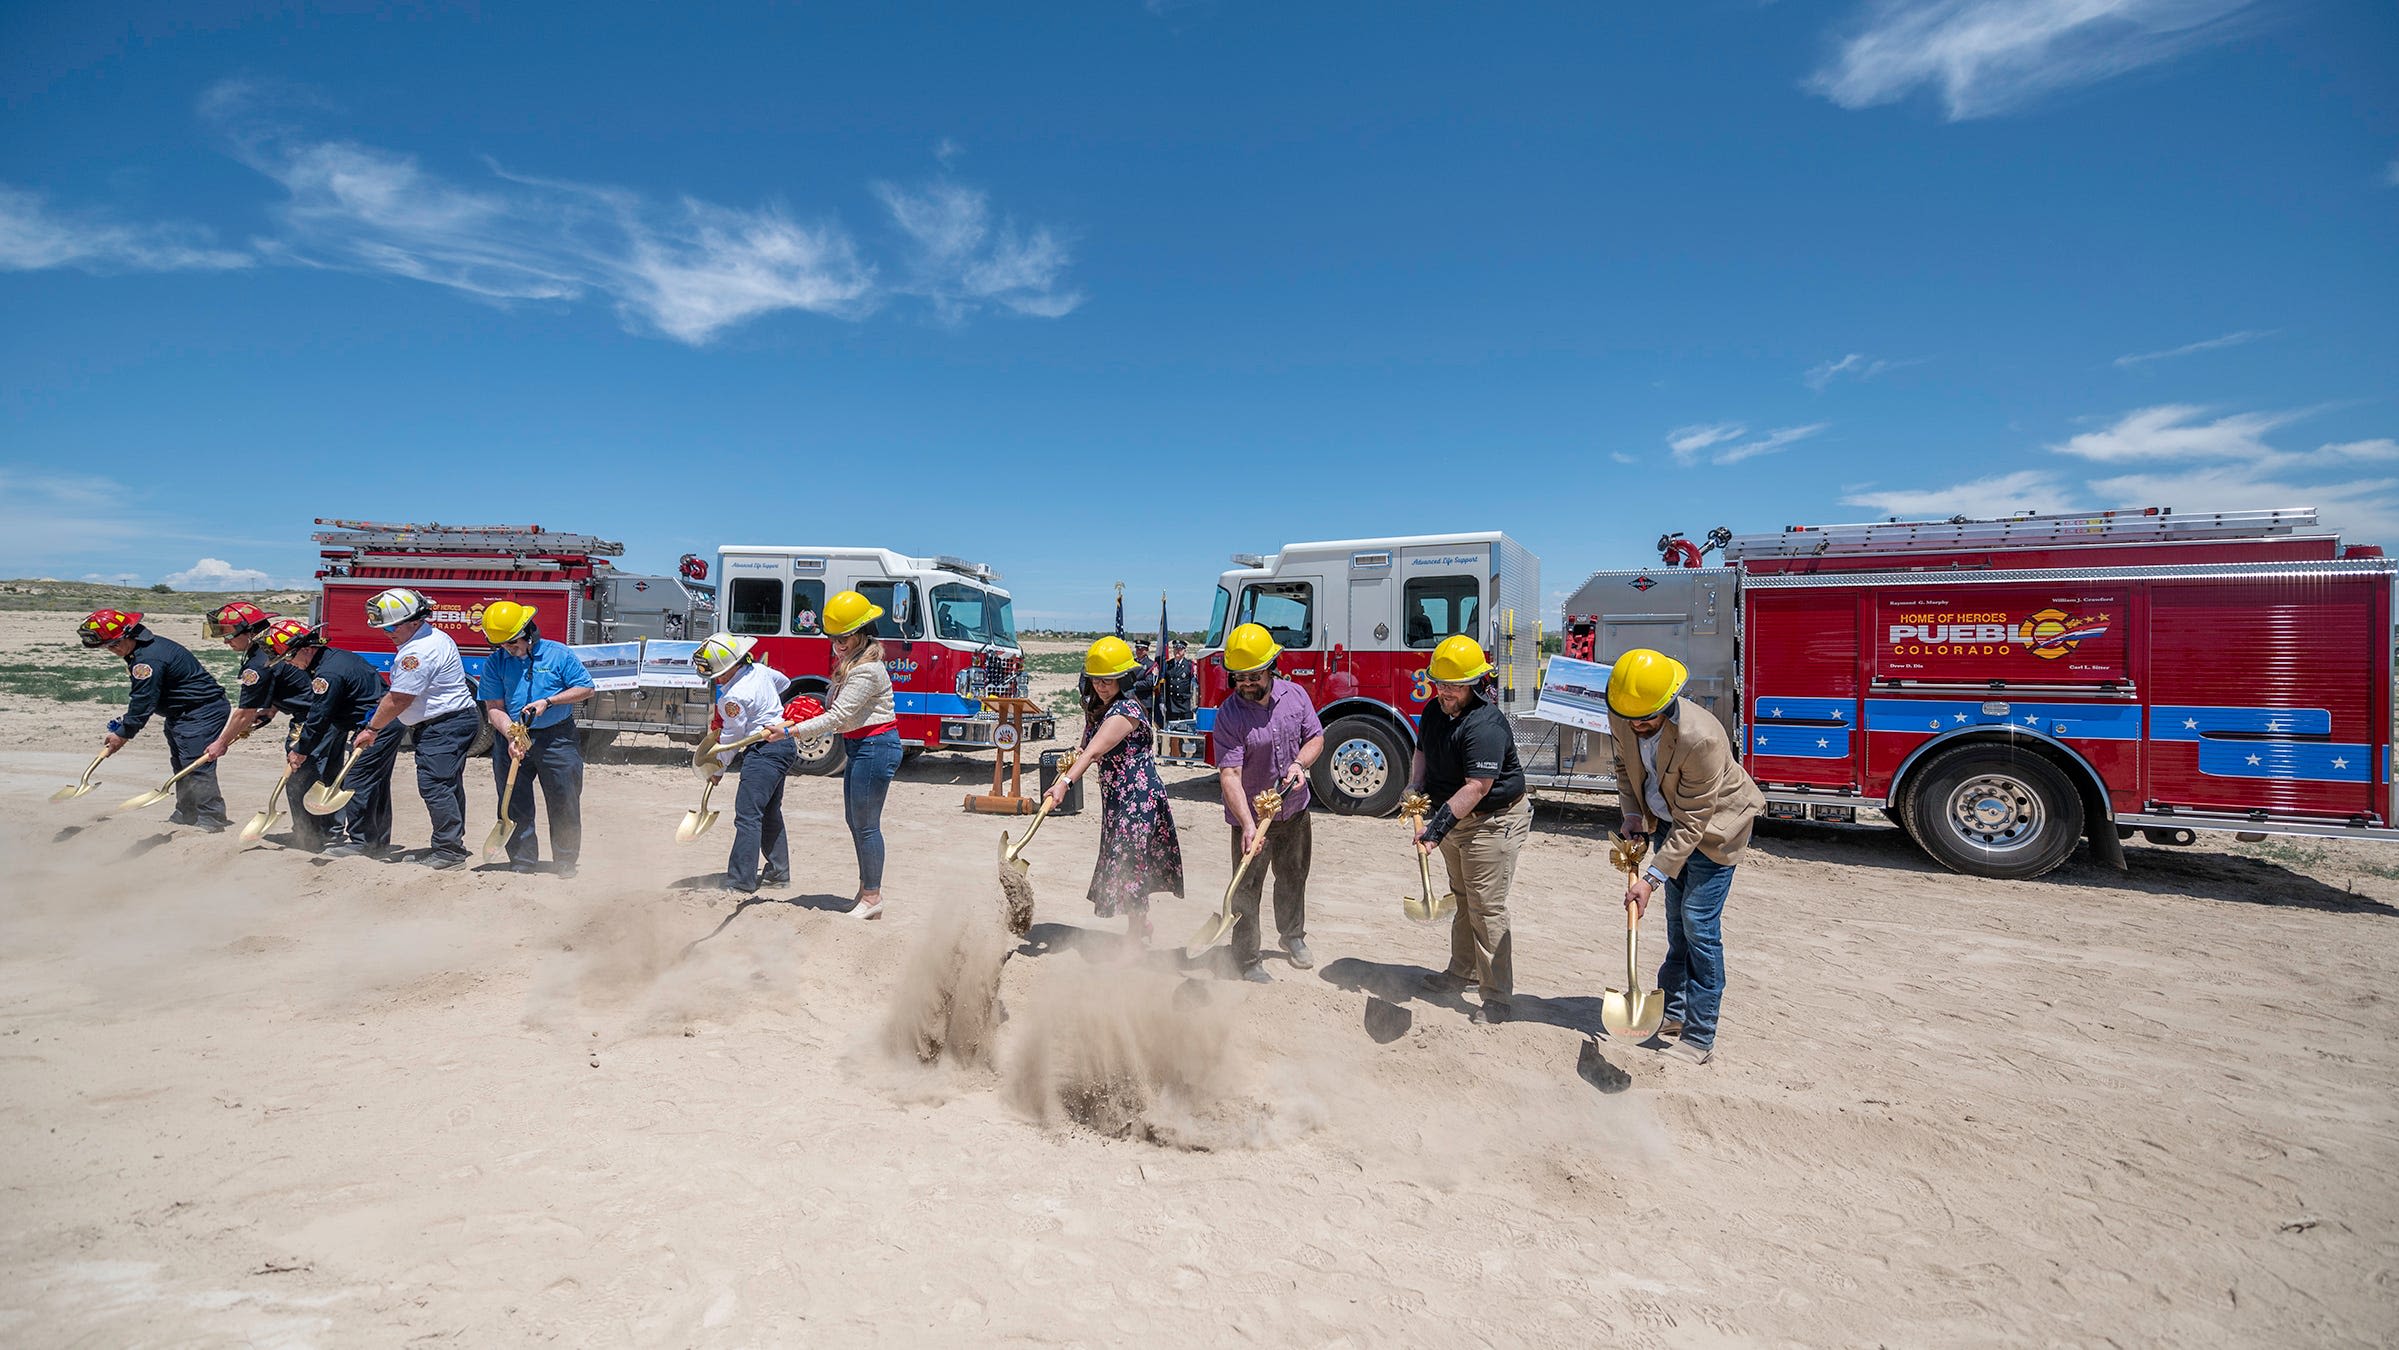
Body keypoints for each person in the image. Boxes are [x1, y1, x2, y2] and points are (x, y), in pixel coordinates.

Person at [1606, 648, 1764, 1066]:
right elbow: (1625, 768)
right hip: (1669, 823)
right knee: (1677, 923)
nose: (1635, 726)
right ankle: (1671, 1013)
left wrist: (1649, 880)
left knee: (1698, 924)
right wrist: (1633, 815)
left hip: (1715, 831)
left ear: (1667, 704)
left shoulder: (1702, 737)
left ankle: (1700, 1035)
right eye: (1629, 718)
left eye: (1645, 719)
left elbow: (1695, 823)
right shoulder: (1623, 712)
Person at [1407, 634, 1529, 1024]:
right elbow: (1421, 751)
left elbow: (1477, 787)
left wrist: (1435, 829)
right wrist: (1414, 786)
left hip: (1492, 822)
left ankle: (1497, 997)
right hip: (1457, 819)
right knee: (1462, 897)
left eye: (1453, 686)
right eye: (1440, 683)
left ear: (1475, 683)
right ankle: (1461, 971)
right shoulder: (1432, 712)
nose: (1444, 692)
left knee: (1486, 907)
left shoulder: (1485, 725)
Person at [1041, 636, 1184, 955]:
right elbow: (1082, 746)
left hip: (1139, 796)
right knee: (1125, 859)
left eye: (1109, 680)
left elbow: (1093, 752)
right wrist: (1065, 767)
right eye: (1096, 680)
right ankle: (1141, 923)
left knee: (1130, 861)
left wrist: (1066, 782)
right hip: (1116, 796)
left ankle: (1134, 937)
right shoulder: (1096, 706)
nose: (1102, 686)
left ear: (1124, 677)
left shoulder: (1128, 709)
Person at [1209, 623, 1323, 982]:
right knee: (1246, 888)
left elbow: (1315, 737)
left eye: (1253, 676)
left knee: (1292, 876)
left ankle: (1292, 937)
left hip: (1294, 811)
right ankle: (1247, 958)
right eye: (1238, 677)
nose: (1245, 683)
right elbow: (1229, 775)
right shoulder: (1229, 715)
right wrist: (1247, 825)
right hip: (1252, 815)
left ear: (1272, 665)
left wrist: (1299, 763)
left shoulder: (1296, 696)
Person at [780, 590, 902, 920]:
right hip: (860, 746)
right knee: (857, 821)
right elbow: (836, 712)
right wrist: (801, 713)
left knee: (866, 825)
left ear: (863, 632)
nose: (838, 644)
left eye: (845, 637)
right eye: (834, 638)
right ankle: (866, 892)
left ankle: (873, 897)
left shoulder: (867, 670)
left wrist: (791, 730)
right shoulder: (853, 664)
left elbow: (837, 717)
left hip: (875, 747)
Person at [79, 609, 231, 831]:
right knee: (181, 763)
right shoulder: (142, 649)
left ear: (128, 635)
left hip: (201, 712)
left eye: (113, 645)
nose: (112, 651)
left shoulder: (148, 659)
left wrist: (123, 733)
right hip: (181, 714)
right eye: (107, 647)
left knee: (196, 765)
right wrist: (125, 727)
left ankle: (211, 819)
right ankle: (187, 812)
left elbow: (143, 700)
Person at [359, 587, 479, 869]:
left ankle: (449, 852)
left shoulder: (418, 652)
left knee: (435, 785)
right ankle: (449, 844)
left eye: (392, 626)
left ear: (414, 621)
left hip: (444, 724)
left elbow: (399, 698)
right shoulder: (429, 636)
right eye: (384, 627)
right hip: (451, 721)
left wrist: (372, 729)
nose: (387, 632)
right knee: (446, 784)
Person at [476, 601, 595, 876]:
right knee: (514, 800)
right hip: (514, 738)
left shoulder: (559, 654)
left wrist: (549, 702)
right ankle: (523, 860)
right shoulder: (496, 662)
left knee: (564, 799)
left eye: (512, 643)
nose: (508, 649)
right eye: (502, 645)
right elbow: (494, 707)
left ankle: (565, 860)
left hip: (557, 739)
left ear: (528, 633)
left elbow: (586, 688)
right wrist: (510, 735)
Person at [265, 618, 395, 857]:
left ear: (306, 649)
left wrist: (300, 749)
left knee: (358, 781)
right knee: (375, 782)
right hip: (382, 722)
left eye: (290, 658)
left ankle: (361, 843)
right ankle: (377, 842)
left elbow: (319, 716)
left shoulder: (327, 673)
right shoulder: (334, 658)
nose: (291, 665)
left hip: (376, 725)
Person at [203, 602, 325, 849]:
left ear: (248, 632)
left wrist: (220, 743)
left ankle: (309, 836)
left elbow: (244, 712)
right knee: (315, 774)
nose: (226, 642)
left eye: (229, 635)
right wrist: (270, 711)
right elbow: (288, 686)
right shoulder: (266, 651)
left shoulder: (257, 663)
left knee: (299, 776)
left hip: (310, 719)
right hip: (318, 716)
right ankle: (321, 832)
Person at [694, 631, 795, 895]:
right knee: (769, 811)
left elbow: (732, 737)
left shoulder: (732, 698)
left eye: (716, 674)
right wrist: (768, 707)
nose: (714, 679)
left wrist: (718, 768)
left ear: (729, 668)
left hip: (764, 751)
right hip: (783, 745)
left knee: (748, 814)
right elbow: (783, 682)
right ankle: (777, 873)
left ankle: (740, 881)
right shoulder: (760, 670)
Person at [1161, 639, 1198, 724]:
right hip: (1171, 704)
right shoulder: (1167, 665)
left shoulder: (1189, 665)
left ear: (1184, 650)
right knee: (1172, 733)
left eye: (1180, 649)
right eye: (1175, 649)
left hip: (1184, 704)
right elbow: (1163, 685)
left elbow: (1195, 685)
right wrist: (1162, 701)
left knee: (1186, 731)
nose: (1178, 651)